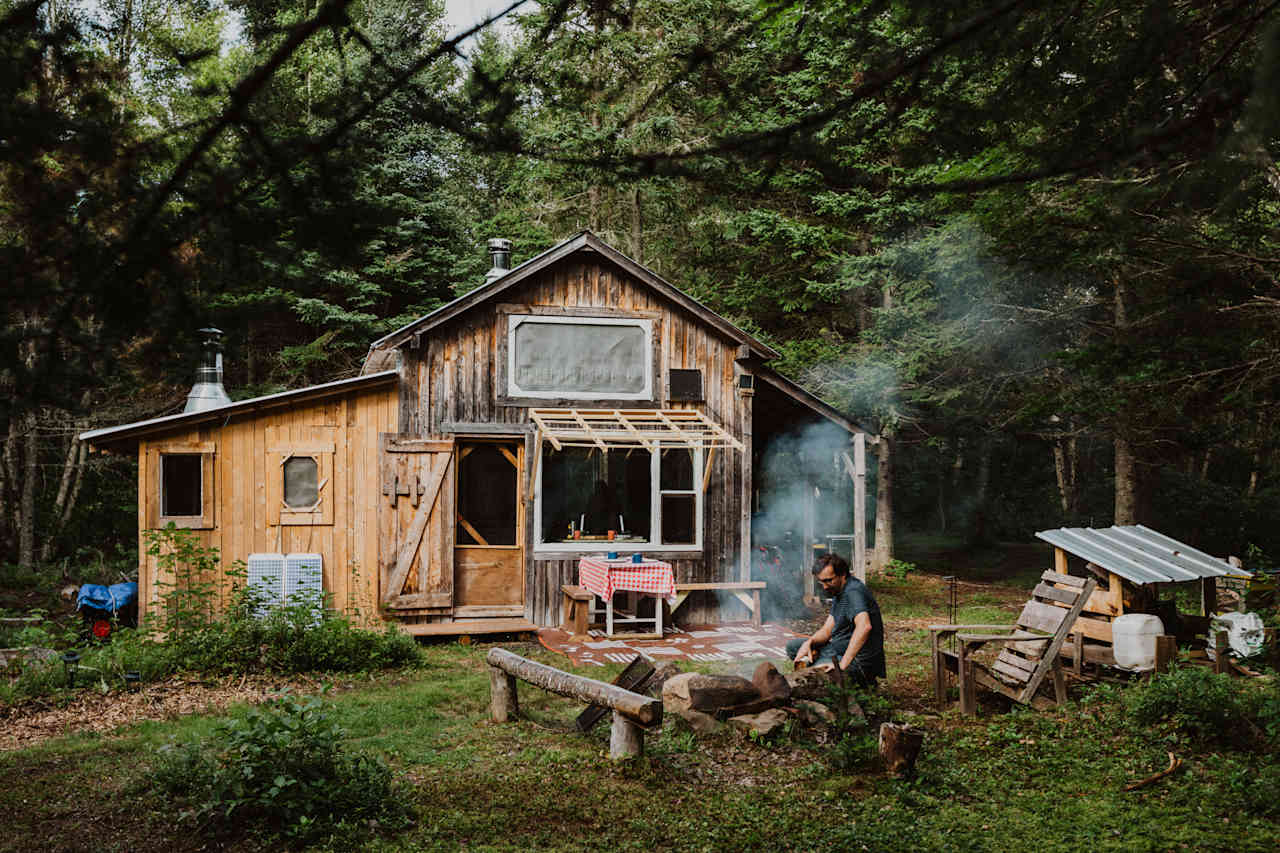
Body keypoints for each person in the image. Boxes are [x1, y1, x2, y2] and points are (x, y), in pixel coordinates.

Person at [785, 553, 886, 687]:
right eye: (821, 582)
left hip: (857, 661)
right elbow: (827, 629)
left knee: (820, 672)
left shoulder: (853, 592)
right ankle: (819, 661)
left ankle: (861, 681)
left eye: (828, 580)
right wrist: (810, 642)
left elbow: (864, 627)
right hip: (837, 649)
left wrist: (842, 665)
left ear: (843, 574)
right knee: (794, 647)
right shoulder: (839, 591)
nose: (825, 586)